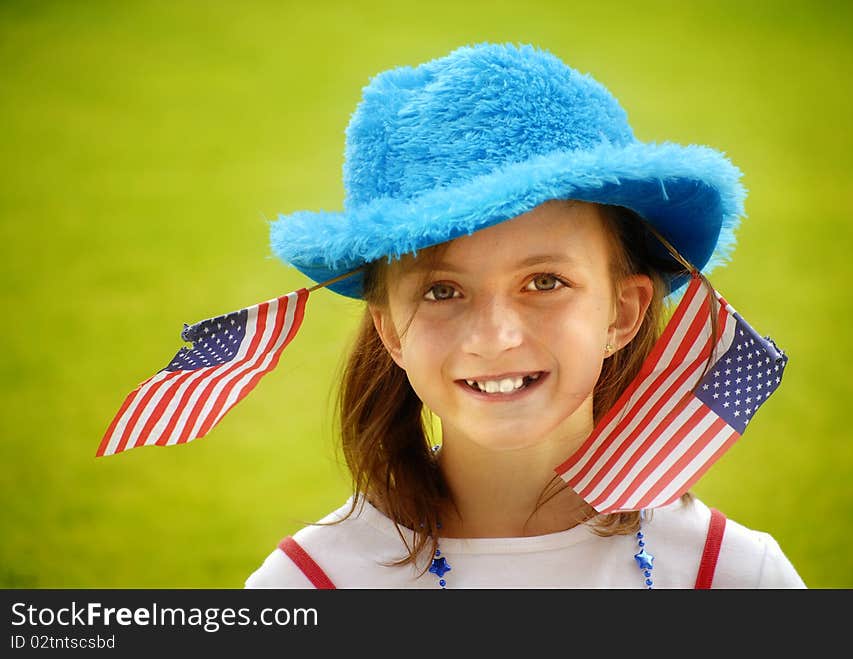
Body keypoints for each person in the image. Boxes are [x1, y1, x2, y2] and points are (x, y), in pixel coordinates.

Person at [245, 43, 805, 588]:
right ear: (391, 329)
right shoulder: (312, 584)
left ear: (622, 311)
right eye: (442, 291)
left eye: (545, 282)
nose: (496, 337)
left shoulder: (732, 575)